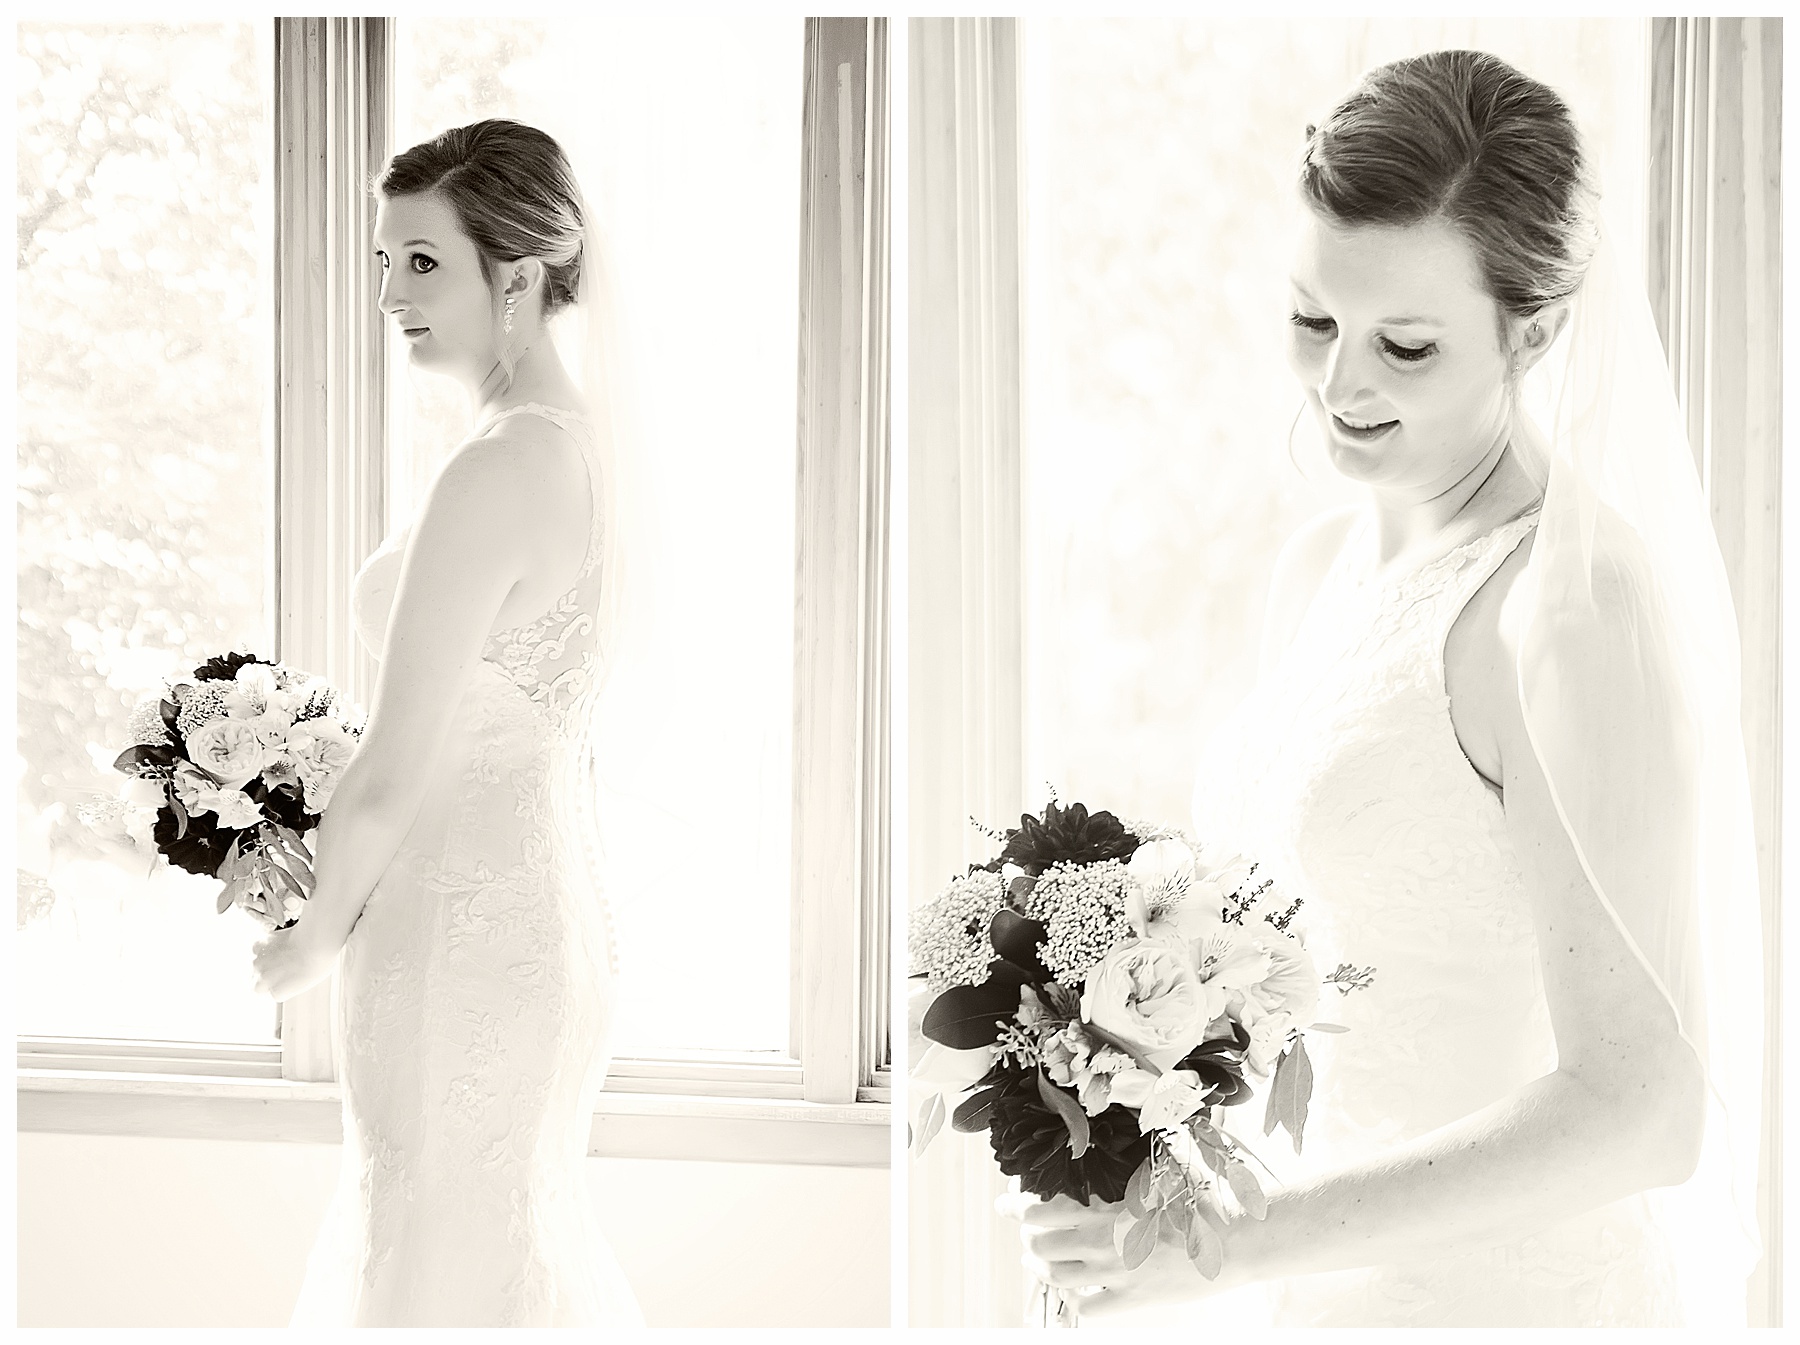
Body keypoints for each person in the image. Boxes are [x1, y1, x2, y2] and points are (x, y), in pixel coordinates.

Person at [1007, 50, 1762, 1327]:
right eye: (1314, 320)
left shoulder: (1574, 614)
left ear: (1538, 328)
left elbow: (1645, 1110)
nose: (1340, 387)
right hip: (1312, 1273)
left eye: (1405, 346)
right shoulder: (1316, 567)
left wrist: (1236, 1244)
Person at [250, 118, 643, 1327]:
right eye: (385, 260)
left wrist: (309, 943)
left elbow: (394, 764)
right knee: (478, 1243)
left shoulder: (502, 468)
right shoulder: (576, 448)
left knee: (436, 1260)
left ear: (519, 274)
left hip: (462, 934)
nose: (390, 293)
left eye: (424, 261)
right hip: (533, 910)